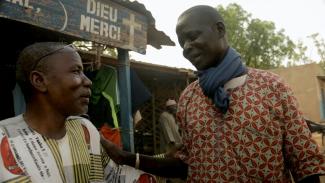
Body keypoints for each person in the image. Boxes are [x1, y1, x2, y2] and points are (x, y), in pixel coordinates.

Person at [101, 5, 325, 182]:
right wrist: (128, 158)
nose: (187, 47)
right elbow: (187, 164)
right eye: (182, 42)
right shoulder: (189, 98)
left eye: (192, 36)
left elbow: (305, 163)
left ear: (219, 29)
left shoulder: (272, 88)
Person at [0, 42, 110, 182]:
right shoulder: (3, 138)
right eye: (76, 71)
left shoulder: (85, 130)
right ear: (39, 80)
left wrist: (127, 158)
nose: (88, 81)